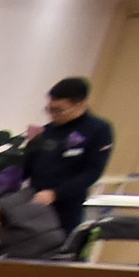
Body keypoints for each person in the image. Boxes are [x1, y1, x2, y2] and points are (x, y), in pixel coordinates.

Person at [21, 78, 115, 240]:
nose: (52, 115)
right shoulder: (47, 131)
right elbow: (26, 166)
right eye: (49, 109)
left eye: (59, 110)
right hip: (34, 203)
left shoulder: (98, 130)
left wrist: (55, 194)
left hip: (66, 208)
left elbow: (92, 172)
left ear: (80, 104)